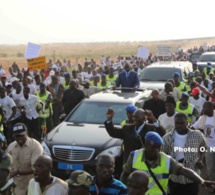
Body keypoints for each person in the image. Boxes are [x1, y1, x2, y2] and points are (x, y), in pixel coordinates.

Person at [120, 131, 213, 195]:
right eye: (152, 147)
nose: (156, 150)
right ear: (146, 145)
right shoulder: (134, 156)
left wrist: (202, 181)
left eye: (158, 147)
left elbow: (184, 171)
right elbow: (125, 174)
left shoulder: (167, 160)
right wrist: (124, 190)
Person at [162, 113, 206, 195]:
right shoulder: (167, 138)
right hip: (175, 178)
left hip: (193, 178)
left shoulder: (197, 135)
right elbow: (163, 155)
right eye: (177, 123)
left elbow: (203, 147)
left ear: (187, 122)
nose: (179, 125)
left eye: (182, 123)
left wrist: (200, 159)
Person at [6, 123, 43, 195]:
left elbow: (35, 168)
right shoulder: (11, 147)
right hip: (16, 187)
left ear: (27, 133)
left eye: (22, 135)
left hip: (31, 186)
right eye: (17, 136)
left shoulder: (35, 146)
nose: (19, 138)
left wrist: (17, 172)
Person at [191, 101, 215, 187]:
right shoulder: (203, 118)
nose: (203, 109)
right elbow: (193, 127)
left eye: (205, 107)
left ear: (212, 108)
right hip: (208, 147)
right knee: (210, 168)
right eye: (203, 107)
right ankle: (213, 186)